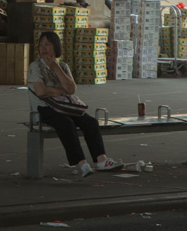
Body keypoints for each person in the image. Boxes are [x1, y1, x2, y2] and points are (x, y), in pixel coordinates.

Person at [26, 31, 122, 177]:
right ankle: (82, 163)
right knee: (66, 123)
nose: (44, 48)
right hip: (43, 109)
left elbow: (71, 89)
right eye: (41, 45)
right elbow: (40, 92)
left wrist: (56, 68)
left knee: (90, 122)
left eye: (48, 44)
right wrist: (60, 90)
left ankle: (101, 159)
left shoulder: (63, 66)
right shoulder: (35, 66)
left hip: (64, 106)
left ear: (56, 47)